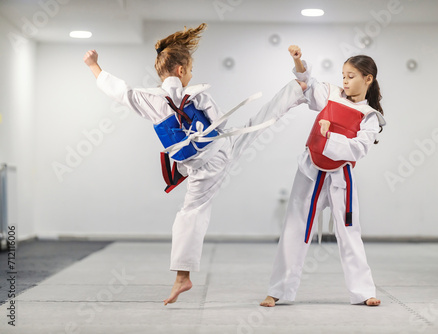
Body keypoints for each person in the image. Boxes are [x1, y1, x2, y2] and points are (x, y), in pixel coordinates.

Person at [83, 24, 305, 305]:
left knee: (191, 212)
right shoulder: (198, 93)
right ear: (181, 70)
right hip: (218, 152)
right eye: (190, 70)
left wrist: (94, 65)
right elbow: (221, 122)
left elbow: (118, 90)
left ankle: (182, 277)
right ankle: (296, 90)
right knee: (253, 126)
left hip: (204, 164)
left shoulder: (148, 98)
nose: (191, 75)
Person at [260, 45, 386, 307]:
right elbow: (307, 83)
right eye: (343, 75)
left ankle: (364, 291)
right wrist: (298, 62)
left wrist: (329, 135)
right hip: (310, 171)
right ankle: (277, 290)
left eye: (351, 76)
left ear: (368, 79)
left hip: (342, 178)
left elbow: (358, 148)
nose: (345, 81)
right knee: (295, 227)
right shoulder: (331, 93)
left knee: (350, 231)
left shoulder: (370, 117)